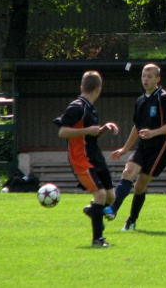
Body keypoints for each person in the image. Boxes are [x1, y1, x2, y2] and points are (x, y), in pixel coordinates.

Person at [105, 63, 166, 231]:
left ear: (157, 79)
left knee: (139, 186)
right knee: (127, 172)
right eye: (143, 76)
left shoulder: (164, 98)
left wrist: (153, 133)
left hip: (161, 147)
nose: (145, 79)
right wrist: (124, 149)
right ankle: (113, 209)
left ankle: (131, 220)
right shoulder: (140, 100)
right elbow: (137, 127)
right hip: (143, 146)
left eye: (149, 76)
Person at [53, 71, 119, 247]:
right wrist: (87, 130)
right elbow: (62, 132)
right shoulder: (77, 106)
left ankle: (93, 210)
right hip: (81, 158)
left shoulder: (91, 108)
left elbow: (91, 136)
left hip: (95, 155)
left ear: (82, 86)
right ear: (99, 89)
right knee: (100, 194)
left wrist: (104, 128)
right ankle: (98, 239)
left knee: (111, 196)